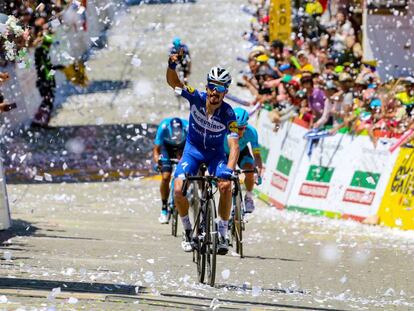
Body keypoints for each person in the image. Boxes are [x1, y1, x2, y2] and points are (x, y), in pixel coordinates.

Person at [166, 52, 240, 255]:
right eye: (212, 87)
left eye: (221, 88)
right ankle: (189, 230)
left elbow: (234, 145)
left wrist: (230, 170)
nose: (215, 92)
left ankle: (223, 233)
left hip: (215, 154)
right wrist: (172, 67)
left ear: (225, 92)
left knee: (225, 186)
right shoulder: (195, 97)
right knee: (179, 190)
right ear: (206, 87)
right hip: (192, 151)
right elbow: (174, 83)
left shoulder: (228, 113)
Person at [224, 107, 263, 213]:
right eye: (235, 128)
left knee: (250, 169)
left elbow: (257, 155)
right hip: (224, 153)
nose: (237, 131)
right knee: (225, 181)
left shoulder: (252, 132)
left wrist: (259, 170)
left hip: (242, 152)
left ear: (246, 127)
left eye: (241, 128)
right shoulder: (223, 130)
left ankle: (249, 197)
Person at [153, 117, 189, 224]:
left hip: (182, 147)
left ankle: (183, 194)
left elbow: (191, 147)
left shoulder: (187, 127)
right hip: (166, 147)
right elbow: (156, 149)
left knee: (185, 173)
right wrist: (158, 162)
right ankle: (164, 207)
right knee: (166, 176)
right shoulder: (163, 127)